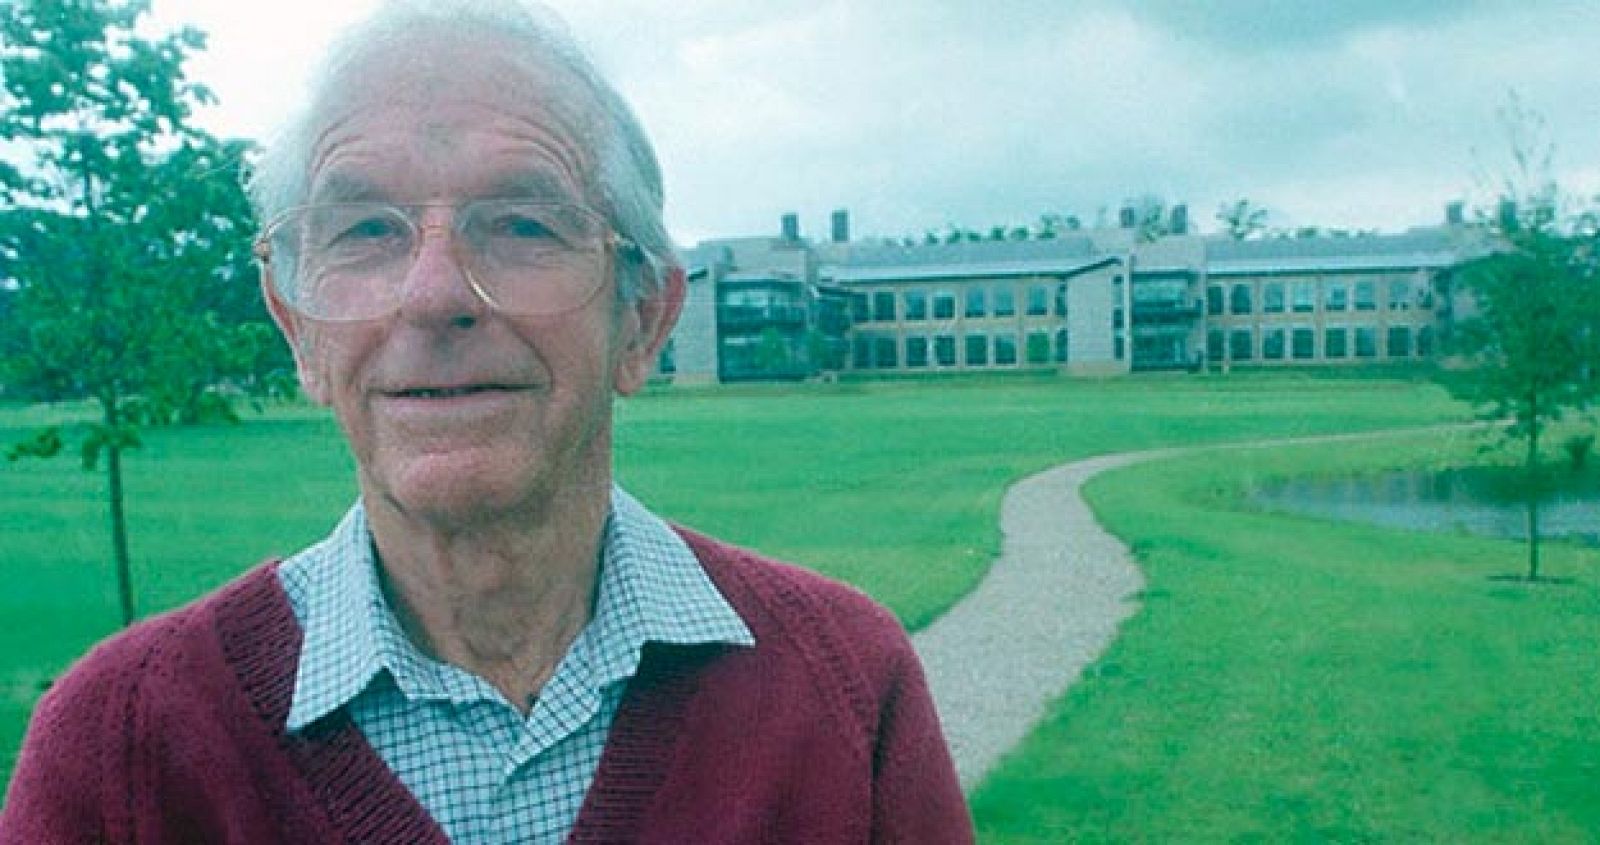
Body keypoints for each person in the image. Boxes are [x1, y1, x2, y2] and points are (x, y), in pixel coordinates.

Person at [0, 1, 971, 841]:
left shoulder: (846, 686)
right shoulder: (118, 749)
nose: (432, 296)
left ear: (642, 319)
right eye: (365, 230)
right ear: (297, 327)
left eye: (522, 224)